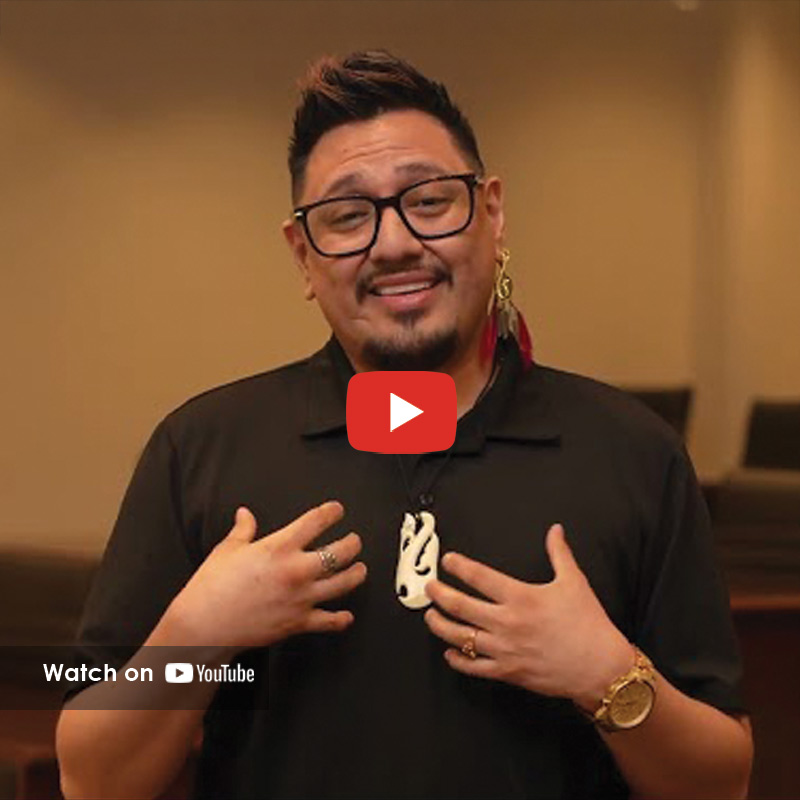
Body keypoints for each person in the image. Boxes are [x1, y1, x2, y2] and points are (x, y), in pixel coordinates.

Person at [56, 50, 753, 800]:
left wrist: (606, 675)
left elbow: (723, 784)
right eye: (347, 216)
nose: (393, 245)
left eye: (428, 201)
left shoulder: (633, 454)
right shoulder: (200, 450)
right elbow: (91, 780)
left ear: (491, 213)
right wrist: (197, 635)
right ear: (302, 255)